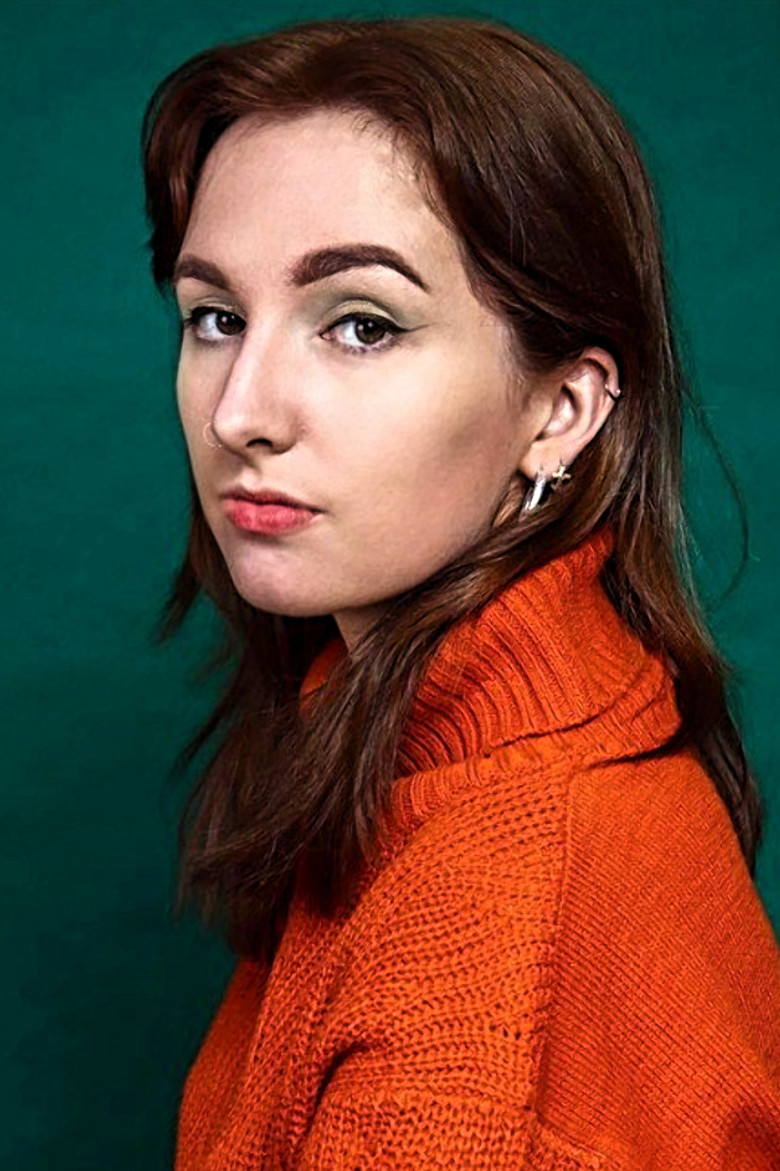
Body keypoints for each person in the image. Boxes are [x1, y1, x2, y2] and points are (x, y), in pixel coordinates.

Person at [141, 14, 780, 1169]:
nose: (241, 412)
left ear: (562, 408)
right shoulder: (456, 746)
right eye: (216, 318)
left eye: (361, 325)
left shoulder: (495, 952)